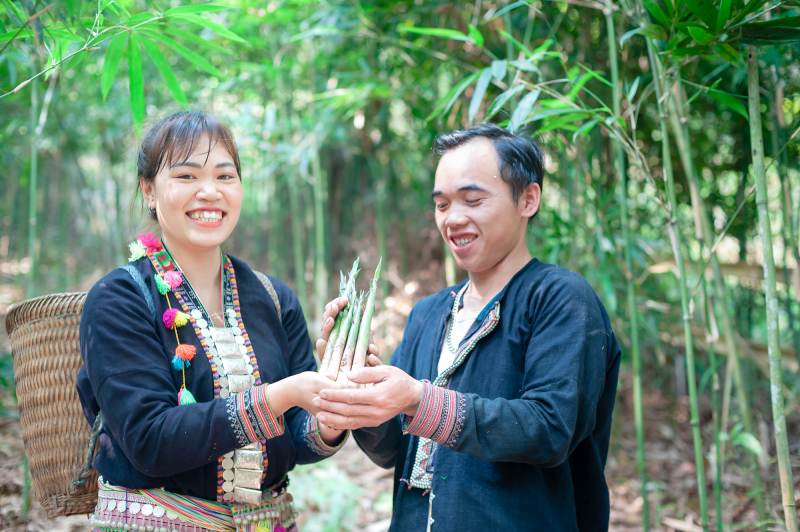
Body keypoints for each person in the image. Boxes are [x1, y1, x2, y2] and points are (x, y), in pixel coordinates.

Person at [312, 124, 622, 531]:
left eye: (473, 200)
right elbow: (392, 450)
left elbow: (550, 429)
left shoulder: (562, 298)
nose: (454, 219)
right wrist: (358, 394)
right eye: (442, 205)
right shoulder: (428, 313)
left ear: (528, 199)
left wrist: (420, 400)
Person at [76, 110, 349, 532]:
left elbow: (295, 439)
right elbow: (151, 440)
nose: (209, 192)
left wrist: (332, 414)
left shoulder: (273, 298)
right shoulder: (119, 299)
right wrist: (282, 395)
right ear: (149, 190)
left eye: (225, 176)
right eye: (186, 177)